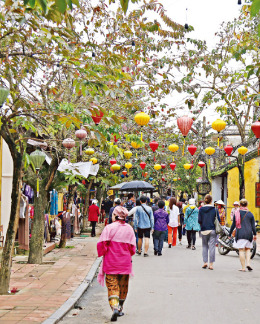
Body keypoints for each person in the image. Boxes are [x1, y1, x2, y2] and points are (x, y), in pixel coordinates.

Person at [97, 206, 136, 321]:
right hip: (125, 263)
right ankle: (120, 308)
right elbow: (132, 249)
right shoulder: (129, 229)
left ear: (115, 215)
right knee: (123, 287)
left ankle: (114, 307)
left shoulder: (109, 228)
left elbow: (101, 245)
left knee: (113, 287)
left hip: (110, 263)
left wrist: (104, 252)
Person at [229, 199, 257, 272]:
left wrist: (229, 234)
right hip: (249, 234)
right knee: (248, 249)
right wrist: (255, 234)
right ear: (247, 205)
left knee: (241, 250)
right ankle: (248, 264)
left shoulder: (237, 213)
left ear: (240, 205)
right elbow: (253, 226)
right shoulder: (250, 214)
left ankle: (243, 267)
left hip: (240, 233)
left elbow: (233, 225)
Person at [198, 194, 220, 270]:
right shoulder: (215, 209)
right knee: (212, 247)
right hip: (212, 230)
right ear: (211, 201)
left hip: (204, 230)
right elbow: (218, 221)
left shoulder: (201, 209)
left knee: (204, 246)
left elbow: (199, 221)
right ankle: (211, 264)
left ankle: (205, 263)